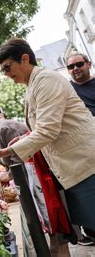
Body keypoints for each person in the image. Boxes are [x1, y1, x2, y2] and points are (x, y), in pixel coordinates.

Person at [0, 38, 95, 233]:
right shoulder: (33, 85)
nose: (6, 74)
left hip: (86, 164)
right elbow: (41, 129)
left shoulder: (46, 80)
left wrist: (2, 152)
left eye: (7, 68)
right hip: (74, 167)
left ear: (24, 59)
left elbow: (48, 130)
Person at [66, 52, 95, 245]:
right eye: (71, 67)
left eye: (79, 64)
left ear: (89, 64)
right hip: (84, 150)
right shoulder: (67, 89)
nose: (75, 69)